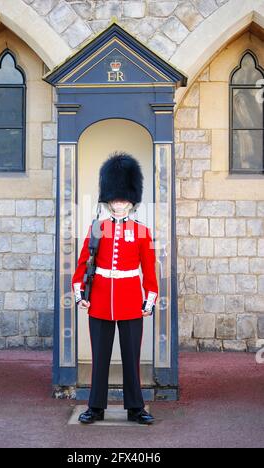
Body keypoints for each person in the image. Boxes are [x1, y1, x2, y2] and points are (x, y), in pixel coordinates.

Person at [72, 151, 159, 425]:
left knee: (131, 359)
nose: (119, 204)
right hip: (99, 301)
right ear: (108, 201)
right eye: (115, 199)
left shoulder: (143, 232)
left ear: (131, 201)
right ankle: (95, 407)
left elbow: (149, 269)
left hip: (131, 301)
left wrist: (150, 299)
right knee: (101, 359)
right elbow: (83, 263)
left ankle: (135, 408)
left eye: (123, 199)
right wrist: (79, 294)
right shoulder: (97, 228)